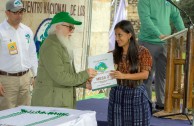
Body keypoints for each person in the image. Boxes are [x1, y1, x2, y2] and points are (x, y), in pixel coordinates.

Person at [31, 12, 97, 109]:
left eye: (73, 28)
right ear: (57, 27)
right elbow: (61, 77)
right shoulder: (51, 46)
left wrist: (84, 83)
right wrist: (85, 74)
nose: (72, 31)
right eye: (70, 27)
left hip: (59, 101)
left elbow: (68, 74)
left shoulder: (61, 44)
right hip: (50, 105)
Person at [137, 0, 185, 110]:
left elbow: (176, 15)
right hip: (148, 43)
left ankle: (161, 103)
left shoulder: (168, 1)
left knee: (163, 75)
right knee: (147, 76)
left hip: (166, 43)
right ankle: (147, 105)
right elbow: (146, 20)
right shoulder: (144, 1)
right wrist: (159, 34)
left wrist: (183, 32)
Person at [108, 20, 152, 126]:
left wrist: (123, 76)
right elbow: (105, 73)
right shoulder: (111, 54)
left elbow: (145, 74)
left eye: (120, 35)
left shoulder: (143, 52)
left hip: (136, 96)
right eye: (115, 35)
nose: (117, 38)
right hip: (116, 96)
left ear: (129, 35)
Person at [0, 0, 38, 110]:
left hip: (26, 79)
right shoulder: (1, 31)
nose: (19, 15)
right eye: (15, 12)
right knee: (6, 115)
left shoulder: (27, 31)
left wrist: (35, 75)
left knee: (24, 113)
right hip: (7, 81)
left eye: (21, 12)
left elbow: (32, 54)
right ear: (7, 13)